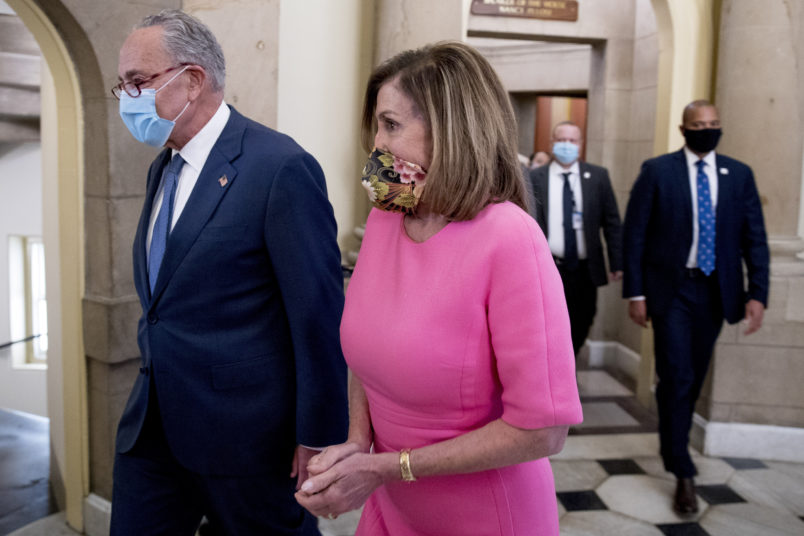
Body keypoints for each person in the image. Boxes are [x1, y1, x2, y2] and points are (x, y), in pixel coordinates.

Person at [295, 42, 582, 535]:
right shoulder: (387, 218)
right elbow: (368, 354)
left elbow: (542, 430)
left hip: (485, 515)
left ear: (450, 130)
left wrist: (387, 467)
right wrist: (357, 444)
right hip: (394, 504)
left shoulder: (510, 239)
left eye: (390, 125)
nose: (377, 146)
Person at [110, 10, 348, 535]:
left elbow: (317, 317)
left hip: (248, 442)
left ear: (192, 80)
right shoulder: (162, 167)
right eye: (121, 85)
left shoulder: (279, 168)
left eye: (137, 82)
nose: (127, 98)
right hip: (151, 433)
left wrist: (319, 435)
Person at [622, 100, 769, 514]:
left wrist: (758, 292)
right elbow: (635, 234)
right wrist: (636, 293)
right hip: (672, 292)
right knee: (680, 375)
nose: (708, 129)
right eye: (700, 124)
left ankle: (673, 441)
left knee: (690, 375)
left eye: (714, 123)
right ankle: (682, 469)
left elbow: (753, 238)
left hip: (716, 293)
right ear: (683, 129)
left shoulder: (739, 175)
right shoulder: (658, 171)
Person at [529, 121, 623, 356]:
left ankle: (569, 366)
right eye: (561, 140)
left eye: (572, 141)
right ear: (552, 144)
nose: (566, 145)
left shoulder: (598, 177)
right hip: (548, 267)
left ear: (581, 145)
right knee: (545, 325)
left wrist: (617, 261)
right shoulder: (534, 178)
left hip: (584, 270)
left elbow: (611, 221)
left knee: (582, 321)